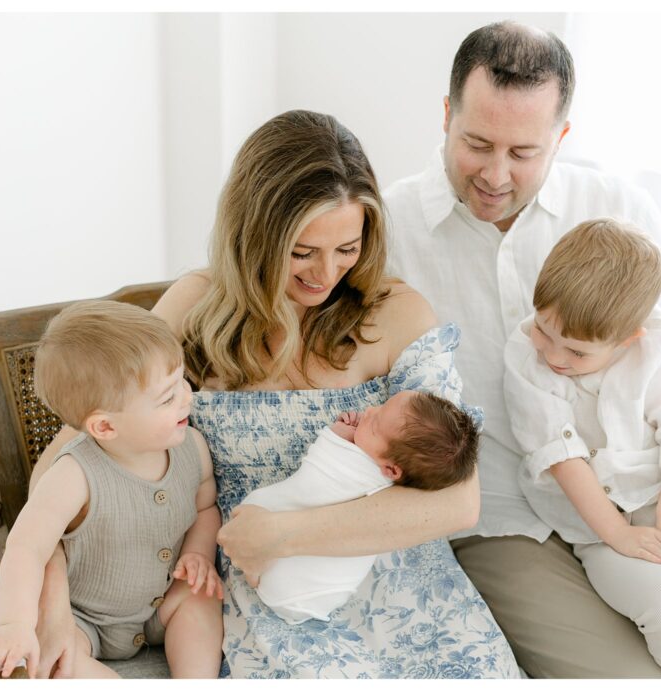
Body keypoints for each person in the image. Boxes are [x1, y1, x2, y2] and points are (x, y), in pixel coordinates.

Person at [382, 20, 661, 678]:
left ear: (561, 138)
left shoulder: (618, 206)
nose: (495, 174)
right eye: (477, 143)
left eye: (523, 151)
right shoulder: (388, 229)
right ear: (445, 117)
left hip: (647, 485)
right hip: (506, 518)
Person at [28, 110, 519, 679]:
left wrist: (283, 534)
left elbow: (458, 500)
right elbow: (65, 466)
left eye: (348, 247)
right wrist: (54, 612)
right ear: (253, 234)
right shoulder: (197, 308)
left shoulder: (398, 313)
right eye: (302, 251)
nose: (326, 274)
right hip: (275, 604)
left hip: (407, 593)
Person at [504, 218, 661, 678]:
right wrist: (618, 534)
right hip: (599, 520)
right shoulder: (526, 358)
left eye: (577, 353)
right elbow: (563, 459)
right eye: (544, 331)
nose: (554, 356)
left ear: (628, 339)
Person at [0, 301, 223, 679]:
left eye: (182, 380)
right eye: (167, 397)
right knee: (58, 665)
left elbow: (206, 508)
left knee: (199, 600)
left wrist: (198, 553)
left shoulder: (192, 448)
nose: (187, 397)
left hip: (161, 605)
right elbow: (25, 548)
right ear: (105, 427)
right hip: (83, 620)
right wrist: (15, 624)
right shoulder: (74, 474)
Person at [244, 389, 479, 624]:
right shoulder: (403, 477)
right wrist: (362, 432)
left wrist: (340, 434)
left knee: (254, 507)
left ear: (391, 470)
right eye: (379, 408)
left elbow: (324, 466)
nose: (369, 410)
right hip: (322, 595)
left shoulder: (369, 475)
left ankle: (255, 566)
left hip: (289, 580)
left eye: (375, 424)